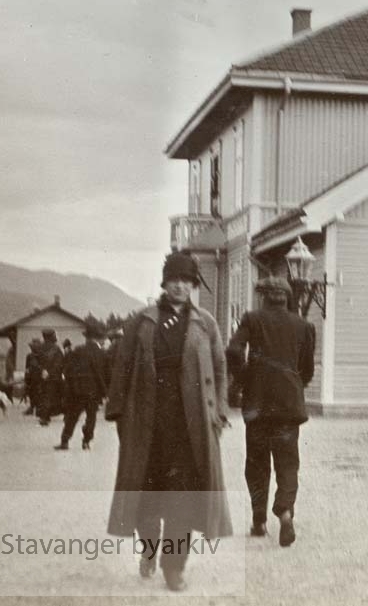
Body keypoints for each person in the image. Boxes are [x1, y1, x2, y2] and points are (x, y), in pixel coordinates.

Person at [105, 251, 232, 592]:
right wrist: (119, 416)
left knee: (182, 499)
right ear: (164, 283)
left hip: (190, 427)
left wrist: (219, 410)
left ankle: (174, 567)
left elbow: (220, 370)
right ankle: (148, 549)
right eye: (174, 279)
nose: (180, 286)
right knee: (146, 497)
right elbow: (123, 369)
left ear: (193, 285)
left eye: (187, 281)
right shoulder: (141, 322)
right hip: (148, 424)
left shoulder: (205, 323)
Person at [225, 276, 316, 547]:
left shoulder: (252, 319)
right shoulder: (304, 326)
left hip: (258, 406)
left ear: (264, 297)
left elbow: (233, 350)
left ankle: (258, 521)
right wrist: (295, 383)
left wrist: (243, 379)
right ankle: (285, 513)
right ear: (287, 298)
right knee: (288, 463)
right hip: (288, 406)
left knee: (257, 464)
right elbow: (307, 368)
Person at [55, 326, 107, 450]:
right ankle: (86, 441)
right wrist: (105, 392)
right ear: (97, 339)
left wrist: (71, 386)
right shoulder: (101, 353)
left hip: (77, 390)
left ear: (87, 338)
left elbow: (69, 370)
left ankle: (65, 441)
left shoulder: (78, 350)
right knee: (91, 417)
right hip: (94, 391)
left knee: (72, 416)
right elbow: (104, 374)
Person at [36, 329, 65, 426]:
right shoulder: (56, 348)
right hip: (54, 377)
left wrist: (42, 371)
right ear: (51, 336)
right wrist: (50, 372)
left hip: (42, 377)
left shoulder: (40, 348)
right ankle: (44, 417)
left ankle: (44, 416)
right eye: (55, 335)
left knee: (44, 396)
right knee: (51, 396)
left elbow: (36, 362)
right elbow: (59, 363)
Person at [24, 338, 44, 415]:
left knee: (39, 393)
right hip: (31, 377)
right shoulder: (29, 356)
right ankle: (32, 408)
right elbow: (27, 367)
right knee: (31, 392)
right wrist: (26, 377)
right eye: (31, 347)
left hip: (40, 377)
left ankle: (39, 408)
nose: (32, 348)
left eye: (34, 346)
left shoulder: (42, 355)